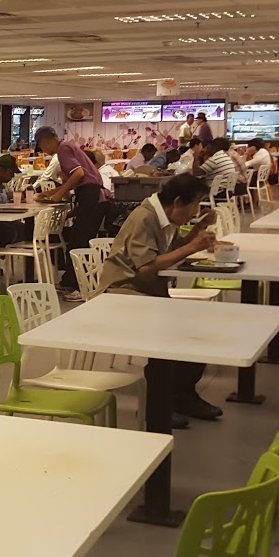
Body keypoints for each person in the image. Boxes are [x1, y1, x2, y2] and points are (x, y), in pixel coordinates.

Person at [95, 173, 222, 426]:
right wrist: (193, 246)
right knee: (169, 330)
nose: (196, 210)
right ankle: (161, 402)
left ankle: (183, 394)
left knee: (197, 325)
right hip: (122, 290)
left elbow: (172, 252)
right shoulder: (145, 218)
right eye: (195, 204)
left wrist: (197, 231)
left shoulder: (165, 218)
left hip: (146, 289)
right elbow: (146, 268)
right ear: (176, 201)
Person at [33, 126, 109, 301]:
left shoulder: (62, 149)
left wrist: (58, 194)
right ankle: (69, 282)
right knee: (76, 239)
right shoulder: (69, 147)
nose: (44, 152)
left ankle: (78, 288)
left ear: (46, 142)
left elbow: (79, 173)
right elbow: (77, 177)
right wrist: (50, 193)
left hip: (92, 197)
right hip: (94, 197)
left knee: (78, 243)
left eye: (42, 147)